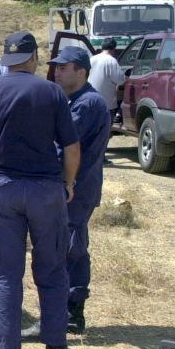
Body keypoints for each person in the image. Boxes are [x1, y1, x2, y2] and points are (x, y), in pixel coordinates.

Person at [0, 31, 80, 349]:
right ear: (33, 57)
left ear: (6, 59)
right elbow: (72, 148)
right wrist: (68, 183)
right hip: (45, 190)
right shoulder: (52, 92)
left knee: (6, 273)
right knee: (53, 269)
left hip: (4, 189)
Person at [49, 46, 111, 334]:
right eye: (57, 67)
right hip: (75, 186)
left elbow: (65, 146)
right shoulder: (77, 100)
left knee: (72, 248)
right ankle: (68, 309)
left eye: (64, 67)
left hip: (77, 187)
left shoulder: (86, 104)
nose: (57, 72)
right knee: (69, 245)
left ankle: (73, 311)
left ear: (81, 71)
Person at [88, 37, 125, 133]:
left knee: (90, 129)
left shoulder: (92, 59)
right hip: (106, 103)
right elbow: (120, 80)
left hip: (89, 101)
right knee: (104, 131)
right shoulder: (111, 61)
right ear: (114, 49)